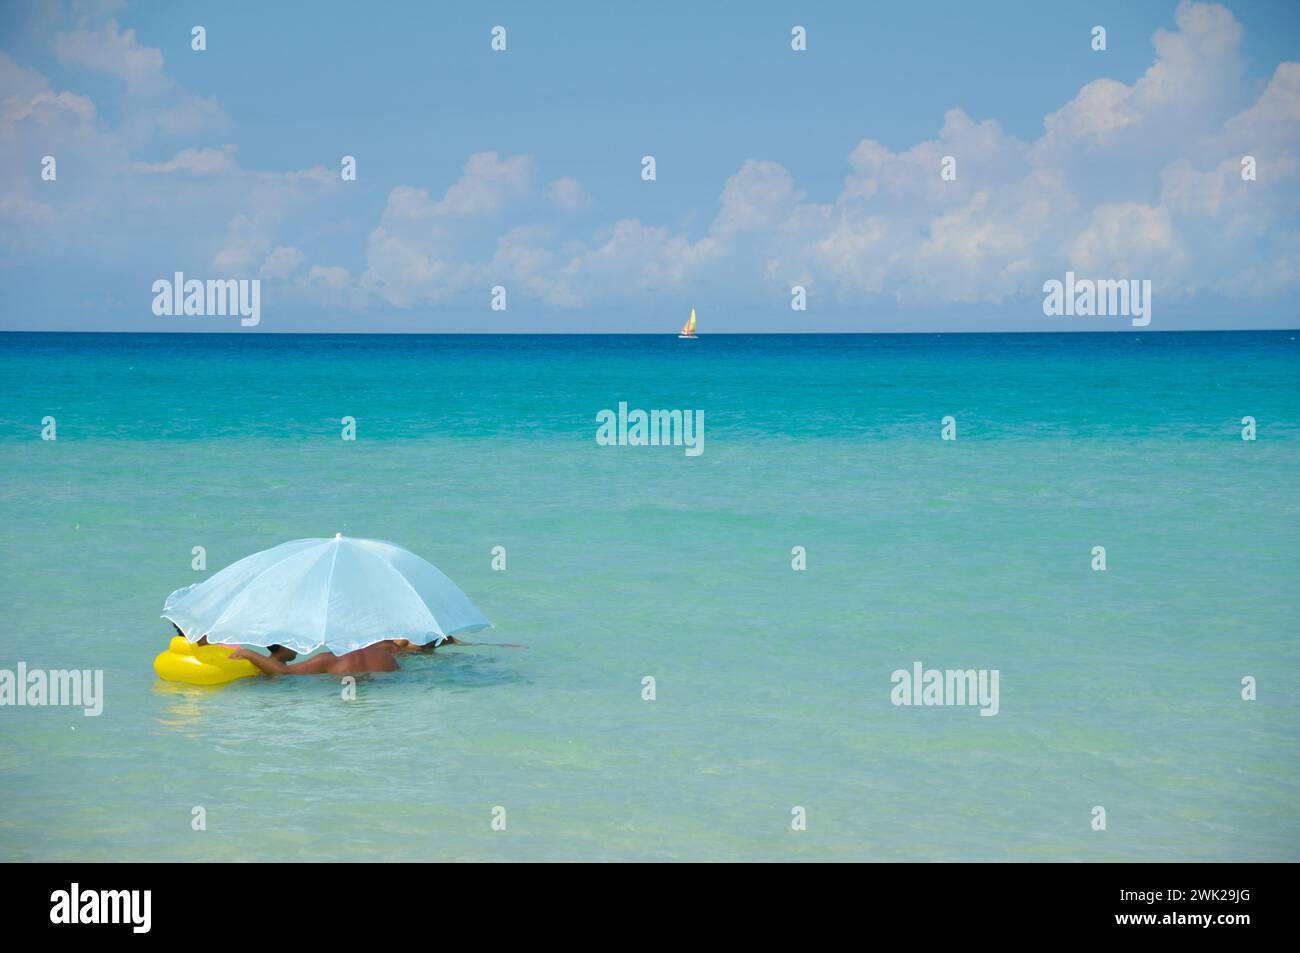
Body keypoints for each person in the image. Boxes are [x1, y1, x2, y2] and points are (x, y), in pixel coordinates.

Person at [230, 642, 398, 676]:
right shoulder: (386, 656)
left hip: (348, 718)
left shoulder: (328, 660)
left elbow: (284, 672)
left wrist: (249, 654)